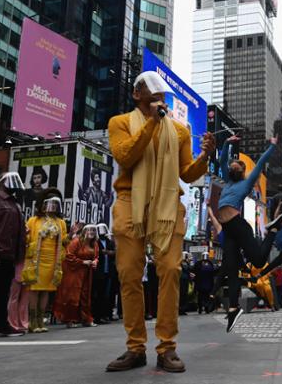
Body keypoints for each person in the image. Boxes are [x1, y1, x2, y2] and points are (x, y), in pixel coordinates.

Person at [106, 71, 215, 373]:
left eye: (161, 94)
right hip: (130, 202)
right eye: (150, 92)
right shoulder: (121, 123)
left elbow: (187, 174)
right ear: (136, 94)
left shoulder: (180, 130)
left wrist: (204, 156)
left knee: (170, 270)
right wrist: (152, 123)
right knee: (129, 273)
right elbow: (125, 157)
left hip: (168, 204)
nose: (158, 98)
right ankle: (135, 347)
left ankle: (167, 347)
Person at [212, 134, 281, 332]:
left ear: (242, 171)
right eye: (232, 165)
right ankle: (234, 308)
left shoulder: (247, 183)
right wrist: (227, 142)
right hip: (228, 229)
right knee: (231, 269)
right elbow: (223, 159)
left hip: (239, 225)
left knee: (259, 261)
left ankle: (273, 230)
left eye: (237, 166)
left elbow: (260, 163)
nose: (232, 166)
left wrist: (272, 146)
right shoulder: (227, 181)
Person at [22, 188, 68, 333]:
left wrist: (71, 235)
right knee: (34, 289)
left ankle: (41, 321)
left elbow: (64, 241)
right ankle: (32, 321)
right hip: (36, 260)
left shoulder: (60, 222)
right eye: (50, 203)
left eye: (55, 204)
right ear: (43, 204)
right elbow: (27, 239)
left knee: (46, 290)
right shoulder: (33, 220)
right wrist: (25, 235)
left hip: (52, 261)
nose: (53, 207)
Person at [0, 172, 26, 336]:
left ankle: (1, 324)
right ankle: (1, 325)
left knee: (3, 292)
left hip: (10, 254)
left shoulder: (14, 203)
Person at [54, 225, 99, 328]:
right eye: (89, 230)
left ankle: (86, 319)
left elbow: (96, 256)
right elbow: (69, 256)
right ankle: (70, 320)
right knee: (73, 295)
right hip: (74, 272)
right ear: (84, 231)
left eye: (93, 230)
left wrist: (95, 262)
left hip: (87, 273)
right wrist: (82, 262)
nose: (91, 232)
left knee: (85, 295)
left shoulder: (94, 243)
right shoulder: (76, 241)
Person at [92, 223, 117, 324]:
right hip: (99, 272)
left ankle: (106, 314)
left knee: (108, 294)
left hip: (109, 272)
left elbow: (114, 252)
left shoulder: (109, 242)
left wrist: (110, 252)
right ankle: (97, 316)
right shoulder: (95, 242)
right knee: (98, 294)